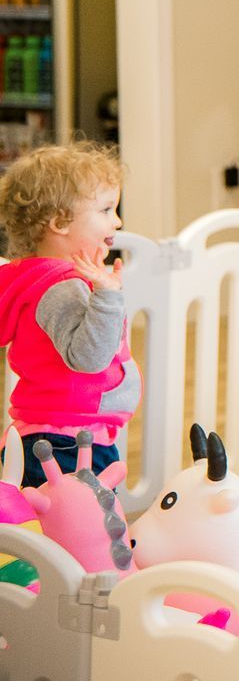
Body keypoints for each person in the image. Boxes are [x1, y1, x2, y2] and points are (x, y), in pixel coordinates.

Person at [0, 142, 137, 488]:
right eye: (106, 209)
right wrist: (107, 296)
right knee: (89, 533)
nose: (117, 221)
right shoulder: (61, 286)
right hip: (70, 441)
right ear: (60, 222)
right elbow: (88, 357)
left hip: (55, 434)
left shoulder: (34, 277)